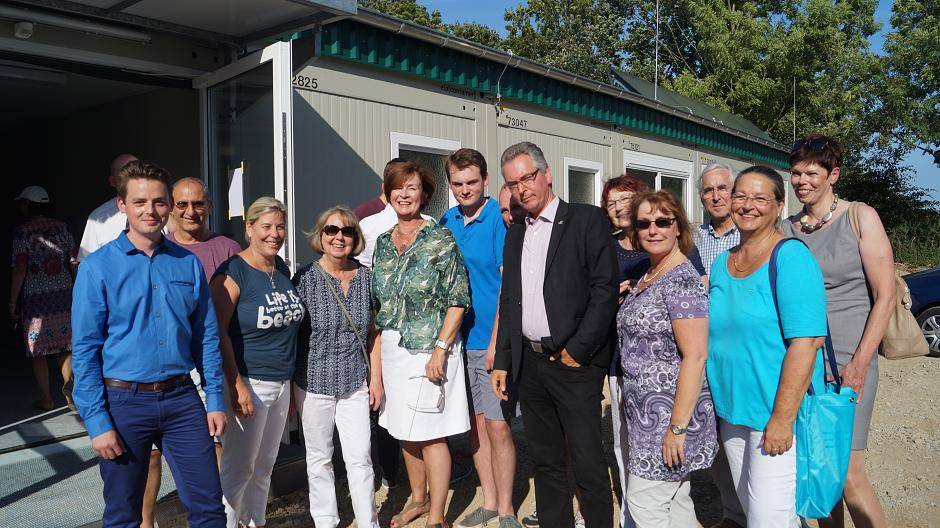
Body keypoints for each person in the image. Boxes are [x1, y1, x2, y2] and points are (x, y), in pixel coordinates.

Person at [71, 160, 227, 527]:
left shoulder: (187, 264)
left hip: (181, 399)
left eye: (159, 202)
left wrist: (215, 398)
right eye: (140, 202)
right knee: (124, 513)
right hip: (124, 403)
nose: (150, 211)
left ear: (168, 206)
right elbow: (85, 350)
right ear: (122, 206)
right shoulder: (98, 268)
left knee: (208, 507)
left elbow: (205, 337)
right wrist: (96, 421)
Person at [492, 141, 618, 528]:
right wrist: (503, 360)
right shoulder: (516, 233)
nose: (522, 188)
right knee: (546, 461)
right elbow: (510, 298)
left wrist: (578, 351)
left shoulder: (586, 220)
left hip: (574, 364)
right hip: (529, 365)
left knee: (586, 462)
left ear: (547, 175)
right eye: (513, 183)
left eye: (527, 178)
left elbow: (604, 290)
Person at [781, 135, 893, 528]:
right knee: (819, 471)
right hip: (803, 362)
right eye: (796, 172)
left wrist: (861, 362)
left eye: (812, 172)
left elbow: (885, 295)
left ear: (834, 175)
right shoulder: (786, 229)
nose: (801, 181)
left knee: (848, 472)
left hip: (850, 360)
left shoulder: (859, 216)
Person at [707, 166, 828, 526]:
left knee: (768, 520)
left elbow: (806, 345)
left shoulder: (791, 258)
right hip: (731, 413)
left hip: (772, 416)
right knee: (752, 511)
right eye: (741, 196)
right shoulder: (720, 264)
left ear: (778, 206)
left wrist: (782, 419)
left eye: (760, 198)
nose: (747, 205)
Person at [136, 177, 243, 528]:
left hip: (207, 362)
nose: (190, 211)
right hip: (165, 368)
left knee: (212, 446)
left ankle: (223, 516)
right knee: (150, 458)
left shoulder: (228, 248)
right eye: (182, 204)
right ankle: (146, 522)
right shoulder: (156, 249)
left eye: (197, 204)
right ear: (170, 208)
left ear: (209, 206)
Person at [372, 160, 471, 528]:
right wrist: (378, 368)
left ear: (424, 195)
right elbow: (380, 307)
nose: (404, 194)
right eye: (398, 187)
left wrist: (441, 351)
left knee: (430, 435)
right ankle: (417, 498)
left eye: (412, 187)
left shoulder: (440, 240)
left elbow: (458, 299)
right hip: (396, 351)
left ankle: (436, 516)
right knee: (403, 430)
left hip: (431, 350)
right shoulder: (382, 244)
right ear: (387, 194)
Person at [617, 190, 716, 526]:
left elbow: (696, 356)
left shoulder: (682, 280)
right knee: (677, 502)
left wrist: (676, 428)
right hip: (646, 417)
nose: (653, 229)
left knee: (644, 504)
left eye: (663, 221)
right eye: (644, 223)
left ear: (678, 228)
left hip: (669, 417)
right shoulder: (650, 273)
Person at [211, 197, 305, 528]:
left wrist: (291, 387)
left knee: (264, 466)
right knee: (239, 469)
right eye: (265, 226)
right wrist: (236, 385)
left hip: (281, 384)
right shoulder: (232, 273)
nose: (274, 234)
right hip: (249, 382)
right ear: (249, 228)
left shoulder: (281, 269)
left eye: (280, 226)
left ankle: (256, 522)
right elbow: (218, 333)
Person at [439, 149, 520, 528]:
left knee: (498, 425)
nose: (464, 189)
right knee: (474, 425)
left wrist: (496, 343)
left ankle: (506, 508)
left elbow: (508, 284)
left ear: (485, 180)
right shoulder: (447, 220)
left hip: (491, 339)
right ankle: (488, 499)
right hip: (459, 341)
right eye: (457, 183)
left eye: (472, 182)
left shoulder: (497, 220)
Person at [293, 206, 381, 528]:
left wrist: (377, 380)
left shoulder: (367, 279)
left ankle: (367, 521)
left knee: (360, 458)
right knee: (319, 459)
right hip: (312, 383)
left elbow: (374, 332)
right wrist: (290, 387)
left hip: (355, 383)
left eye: (346, 231)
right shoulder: (303, 278)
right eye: (331, 230)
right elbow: (293, 335)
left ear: (355, 238)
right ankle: (326, 521)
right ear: (321, 235)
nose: (339, 237)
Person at [693, 163, 745, 528]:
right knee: (713, 440)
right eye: (709, 190)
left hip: (739, 348)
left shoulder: (749, 234)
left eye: (722, 188)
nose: (716, 196)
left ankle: (761, 511)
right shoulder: (694, 238)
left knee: (741, 435)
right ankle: (733, 512)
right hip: (702, 348)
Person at [600, 174, 651, 528]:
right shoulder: (606, 246)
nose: (618, 207)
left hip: (658, 358)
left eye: (624, 199)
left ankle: (656, 507)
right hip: (618, 355)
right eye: (611, 202)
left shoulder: (659, 240)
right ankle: (631, 511)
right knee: (624, 437)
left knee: (657, 433)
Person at [10, 186, 77, 411]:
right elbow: (73, 259)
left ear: (28, 205)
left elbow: (20, 267)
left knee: (37, 349)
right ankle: (71, 395)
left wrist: (12, 301)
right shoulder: (62, 227)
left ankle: (47, 398)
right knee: (65, 346)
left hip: (36, 299)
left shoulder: (23, 232)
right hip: (63, 294)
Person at [78, 153, 137, 261]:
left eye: (138, 174)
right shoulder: (98, 218)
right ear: (113, 181)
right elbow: (87, 263)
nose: (133, 181)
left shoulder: (160, 211)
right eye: (125, 177)